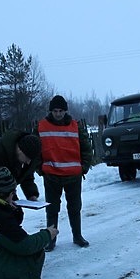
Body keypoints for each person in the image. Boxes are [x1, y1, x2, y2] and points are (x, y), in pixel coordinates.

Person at [37, 95, 93, 251]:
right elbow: (35, 150)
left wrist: (84, 167)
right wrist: (40, 169)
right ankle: (51, 240)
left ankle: (77, 236)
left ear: (65, 111)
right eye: (55, 111)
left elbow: (86, 148)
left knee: (75, 208)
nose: (58, 114)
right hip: (51, 175)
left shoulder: (75, 126)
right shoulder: (42, 127)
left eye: (61, 111)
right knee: (52, 209)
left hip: (73, 175)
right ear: (51, 111)